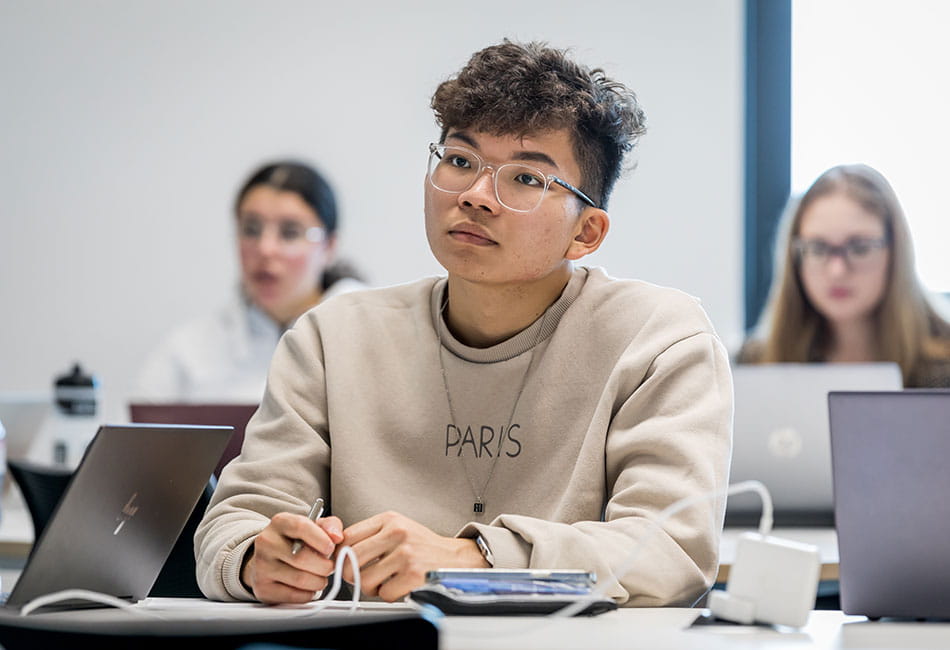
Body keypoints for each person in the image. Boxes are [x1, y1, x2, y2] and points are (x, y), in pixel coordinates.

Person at [195, 40, 732, 608]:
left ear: (587, 232)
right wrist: (259, 559)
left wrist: (471, 561)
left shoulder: (659, 341)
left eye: (526, 178)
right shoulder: (333, 339)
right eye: (459, 161)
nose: (476, 196)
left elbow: (670, 551)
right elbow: (233, 524)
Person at [133, 161, 365, 403]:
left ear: (329, 246)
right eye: (251, 229)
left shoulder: (370, 331)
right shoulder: (189, 351)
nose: (265, 249)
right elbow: (133, 434)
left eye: (289, 233)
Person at [739, 164, 950, 387]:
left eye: (859, 248)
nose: (837, 271)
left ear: (896, 252)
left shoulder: (944, 367)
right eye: (818, 248)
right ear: (795, 257)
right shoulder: (754, 365)